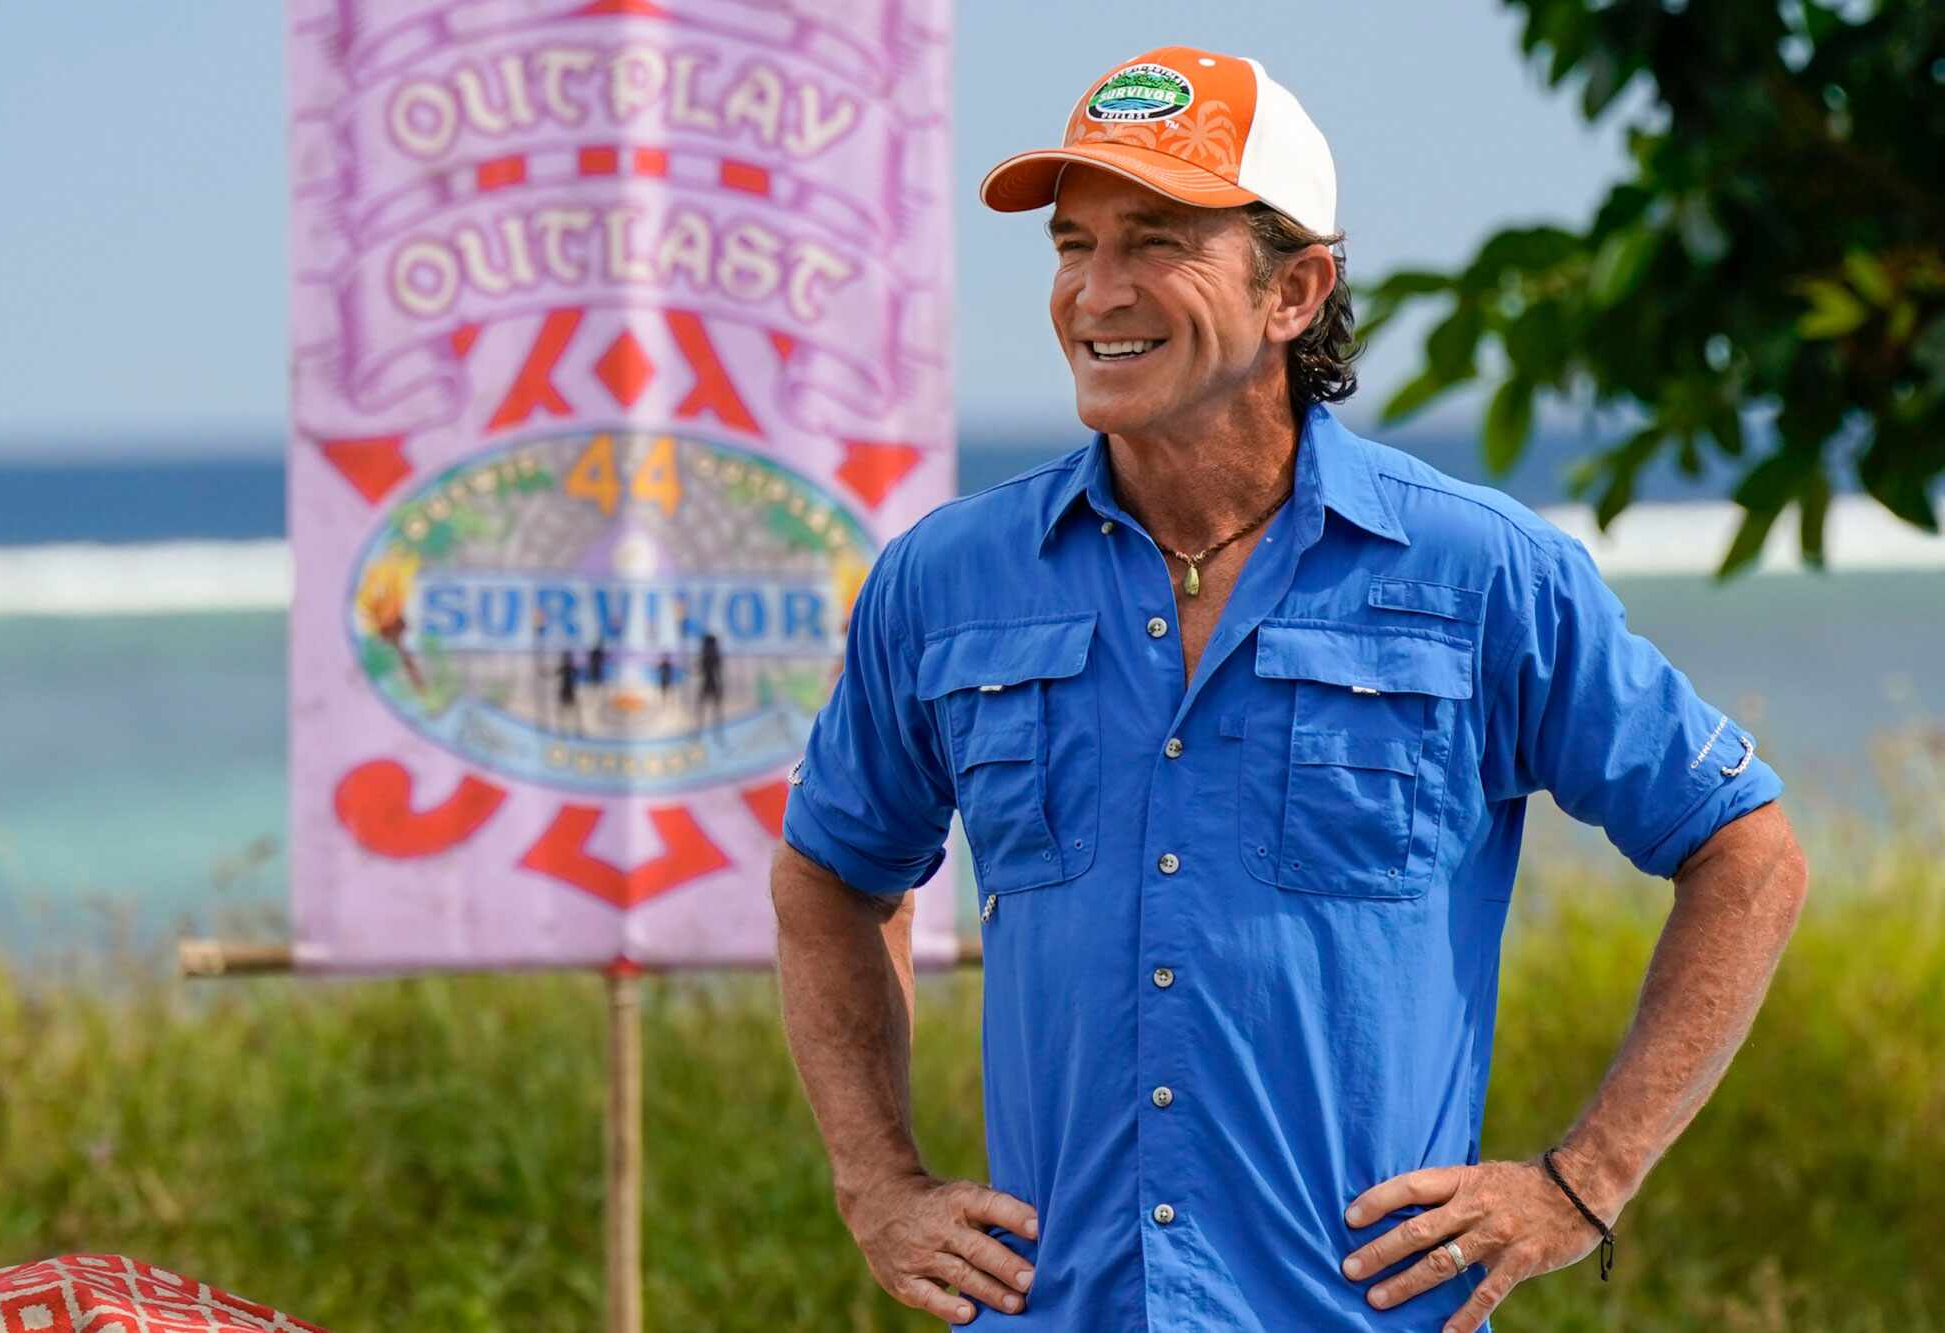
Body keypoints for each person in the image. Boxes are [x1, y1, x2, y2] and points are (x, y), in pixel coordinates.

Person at [769, 45, 1807, 1332]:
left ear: (1294, 290)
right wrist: (877, 1185)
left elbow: (1744, 852)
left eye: (1153, 243)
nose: (1095, 291)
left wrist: (1580, 1184)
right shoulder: (944, 581)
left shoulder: (1481, 571)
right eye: (1071, 246)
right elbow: (830, 874)